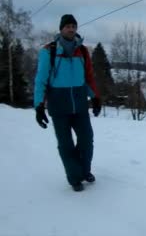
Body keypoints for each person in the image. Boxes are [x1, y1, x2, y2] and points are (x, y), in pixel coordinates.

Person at [33, 14, 102, 192]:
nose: (71, 29)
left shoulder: (83, 51)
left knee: (87, 140)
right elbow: (41, 79)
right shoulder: (49, 50)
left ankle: (84, 171)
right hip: (59, 106)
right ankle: (74, 177)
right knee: (66, 144)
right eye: (67, 26)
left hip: (79, 105)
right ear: (61, 29)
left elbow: (88, 78)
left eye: (73, 26)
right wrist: (39, 106)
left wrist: (95, 98)